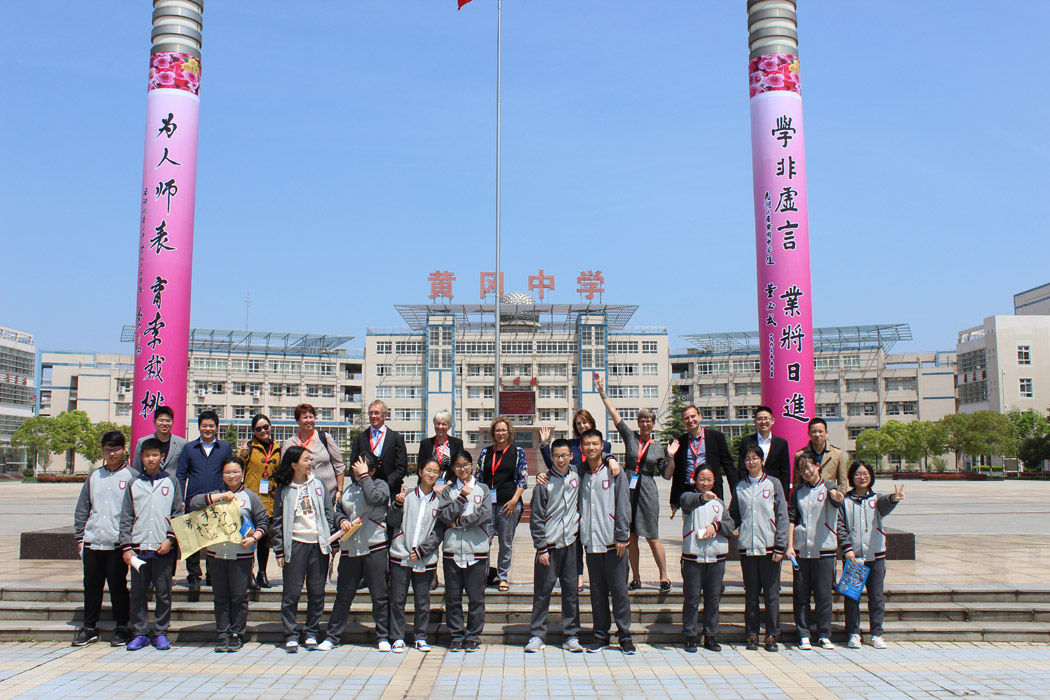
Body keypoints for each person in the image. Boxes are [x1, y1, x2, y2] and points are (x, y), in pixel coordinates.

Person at [594, 375, 670, 592]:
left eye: (649, 421)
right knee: (631, 537)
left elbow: (666, 474)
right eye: (642, 420)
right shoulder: (630, 437)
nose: (645, 424)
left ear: (653, 423)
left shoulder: (658, 447)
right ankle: (635, 578)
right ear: (638, 423)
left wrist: (672, 457)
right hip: (627, 486)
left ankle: (664, 576)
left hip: (647, 489)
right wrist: (601, 392)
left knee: (652, 535)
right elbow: (614, 414)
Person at [271, 446, 349, 653]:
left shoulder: (318, 484)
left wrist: (332, 541)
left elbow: (327, 512)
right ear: (294, 464)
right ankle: (290, 634)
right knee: (292, 592)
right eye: (306, 460)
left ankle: (311, 632)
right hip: (295, 544)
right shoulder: (284, 489)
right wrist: (279, 550)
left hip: (317, 545)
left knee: (316, 592)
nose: (310, 463)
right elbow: (277, 521)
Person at [188, 456, 269, 652]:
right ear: (222, 475)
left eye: (235, 472)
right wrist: (220, 497)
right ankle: (222, 633)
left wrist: (254, 538)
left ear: (242, 473)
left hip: (241, 556)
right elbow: (194, 503)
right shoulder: (216, 495)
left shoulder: (250, 496)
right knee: (220, 596)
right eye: (227, 472)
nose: (232, 476)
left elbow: (263, 522)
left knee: (239, 596)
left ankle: (236, 633)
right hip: (217, 555)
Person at [320, 454, 392, 652]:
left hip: (374, 546)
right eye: (355, 468)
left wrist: (365, 477)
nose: (356, 471)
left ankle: (383, 636)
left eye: (361, 468)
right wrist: (341, 519)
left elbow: (375, 499)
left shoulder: (380, 485)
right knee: (344, 594)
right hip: (351, 548)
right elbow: (338, 510)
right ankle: (333, 636)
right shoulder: (349, 490)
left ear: (372, 470)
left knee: (379, 595)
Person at [118, 438, 184, 651]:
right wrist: (126, 547)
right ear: (141, 458)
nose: (151, 459)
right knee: (138, 593)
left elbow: (177, 513)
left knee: (164, 592)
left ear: (161, 457)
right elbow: (126, 517)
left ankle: (161, 631)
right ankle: (140, 632)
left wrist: (170, 539)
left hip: (162, 547)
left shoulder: (171, 482)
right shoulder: (134, 483)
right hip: (138, 548)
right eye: (147, 455)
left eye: (155, 455)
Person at [72, 429, 135, 647]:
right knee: (92, 586)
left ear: (124, 450)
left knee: (118, 586)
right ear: (103, 451)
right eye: (108, 449)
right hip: (93, 542)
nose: (112, 453)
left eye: (116, 449)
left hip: (117, 544)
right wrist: (80, 538)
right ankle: (89, 627)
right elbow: (83, 509)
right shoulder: (94, 476)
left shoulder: (131, 477)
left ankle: (122, 627)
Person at [538, 409, 610, 592]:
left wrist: (613, 459)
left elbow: (606, 459)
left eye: (585, 422)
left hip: (596, 495)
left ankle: (600, 576)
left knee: (595, 534)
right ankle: (578, 574)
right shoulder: (571, 445)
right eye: (578, 424)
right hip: (574, 493)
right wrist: (545, 444)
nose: (582, 426)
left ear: (591, 423)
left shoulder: (605, 444)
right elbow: (555, 463)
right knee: (576, 539)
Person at [837, 461, 905, 650]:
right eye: (858, 474)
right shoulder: (845, 500)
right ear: (852, 477)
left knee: (876, 597)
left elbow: (886, 504)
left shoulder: (876, 499)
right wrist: (847, 548)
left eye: (865, 474)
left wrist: (894, 498)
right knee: (852, 597)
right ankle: (853, 633)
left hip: (875, 556)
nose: (862, 477)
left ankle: (876, 633)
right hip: (854, 557)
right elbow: (840, 526)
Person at [578, 429, 634, 654]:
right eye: (587, 444)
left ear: (603, 446)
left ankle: (625, 636)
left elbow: (623, 504)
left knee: (619, 591)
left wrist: (622, 535)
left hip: (614, 543)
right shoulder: (581, 472)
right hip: (591, 543)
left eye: (595, 444)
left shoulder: (615, 471)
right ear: (582, 448)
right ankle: (600, 635)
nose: (591, 447)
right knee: (597, 593)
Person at [525, 438, 584, 654]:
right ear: (552, 458)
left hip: (570, 543)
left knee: (571, 592)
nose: (561, 459)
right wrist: (540, 547)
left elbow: (600, 455)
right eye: (557, 456)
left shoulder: (577, 474)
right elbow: (536, 518)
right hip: (548, 547)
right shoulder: (544, 484)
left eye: (564, 455)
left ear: (571, 456)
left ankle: (571, 635)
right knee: (542, 592)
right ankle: (537, 634)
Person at [730, 443, 788, 652]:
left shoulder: (774, 484)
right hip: (747, 548)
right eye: (748, 459)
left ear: (761, 460)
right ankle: (752, 633)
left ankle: (772, 634)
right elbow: (734, 516)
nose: (751, 462)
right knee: (751, 594)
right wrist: (717, 526)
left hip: (770, 548)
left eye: (755, 458)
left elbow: (782, 515)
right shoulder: (740, 486)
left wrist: (781, 545)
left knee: (771, 594)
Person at [786, 453, 844, 651]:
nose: (806, 472)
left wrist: (836, 495)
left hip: (824, 549)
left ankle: (824, 634)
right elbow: (792, 518)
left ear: (818, 466)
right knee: (801, 595)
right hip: (802, 551)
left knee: (823, 595)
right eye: (802, 470)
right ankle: (803, 634)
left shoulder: (828, 488)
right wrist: (790, 545)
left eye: (809, 467)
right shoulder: (799, 492)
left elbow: (837, 499)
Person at [388, 458, 446, 653]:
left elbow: (438, 532)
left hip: (424, 559)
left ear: (439, 476)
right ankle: (397, 636)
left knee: (422, 601)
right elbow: (393, 521)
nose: (431, 474)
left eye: (435, 472)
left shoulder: (440, 502)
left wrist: (422, 551)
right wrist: (397, 504)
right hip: (401, 554)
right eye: (428, 470)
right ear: (420, 472)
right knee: (397, 598)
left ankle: (420, 636)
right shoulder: (407, 495)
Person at [438, 449, 492, 652]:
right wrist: (460, 498)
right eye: (458, 466)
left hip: (477, 550)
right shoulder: (448, 491)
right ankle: (456, 635)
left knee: (476, 597)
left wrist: (460, 522)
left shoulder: (483, 489)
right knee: (453, 598)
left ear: (472, 466)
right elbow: (444, 516)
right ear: (453, 469)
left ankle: (473, 635)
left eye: (466, 465)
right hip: (452, 551)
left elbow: (485, 514)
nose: (462, 469)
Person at [175, 410, 233, 591]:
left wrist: (228, 494)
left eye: (211, 426)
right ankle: (193, 576)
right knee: (192, 539)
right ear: (199, 427)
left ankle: (212, 574)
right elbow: (181, 474)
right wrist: (181, 499)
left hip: (217, 500)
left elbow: (229, 472)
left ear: (217, 428)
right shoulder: (189, 448)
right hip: (194, 500)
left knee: (213, 540)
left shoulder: (224, 448)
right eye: (204, 426)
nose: (208, 429)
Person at [679, 466, 735, 653]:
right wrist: (703, 498)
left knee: (712, 599)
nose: (705, 483)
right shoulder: (688, 497)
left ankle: (710, 635)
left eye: (709, 479)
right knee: (692, 598)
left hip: (715, 558)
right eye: (701, 479)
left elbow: (731, 524)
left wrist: (716, 526)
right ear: (695, 479)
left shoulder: (719, 503)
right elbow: (687, 502)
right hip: (693, 558)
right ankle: (690, 635)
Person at [476, 417, 528, 592]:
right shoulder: (485, 453)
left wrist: (514, 501)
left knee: (506, 543)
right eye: (497, 430)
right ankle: (482, 577)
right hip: (488, 504)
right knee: (484, 541)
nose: (500, 433)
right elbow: (478, 477)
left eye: (503, 430)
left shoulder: (517, 452)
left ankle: (503, 577)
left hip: (509, 504)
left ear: (509, 432)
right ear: (493, 433)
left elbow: (523, 480)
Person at [238, 413, 279, 589]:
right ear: (253, 431)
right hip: (251, 499)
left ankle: (262, 573)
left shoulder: (277, 448)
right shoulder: (249, 447)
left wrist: (275, 485)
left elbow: (280, 473)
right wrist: (243, 454)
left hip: (269, 500)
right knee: (249, 537)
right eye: (258, 429)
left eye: (266, 427)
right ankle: (248, 574)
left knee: (264, 540)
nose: (263, 431)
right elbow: (237, 470)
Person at [667, 405, 734, 512]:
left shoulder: (716, 437)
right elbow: (678, 472)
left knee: (712, 521)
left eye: (693, 416)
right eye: (686, 418)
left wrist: (735, 492)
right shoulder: (680, 442)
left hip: (711, 487)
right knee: (691, 523)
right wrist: (674, 499)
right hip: (689, 489)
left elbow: (728, 466)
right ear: (683, 421)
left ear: (700, 417)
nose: (690, 420)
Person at [282, 403, 345, 506]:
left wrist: (340, 491)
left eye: (311, 417)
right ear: (298, 421)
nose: (309, 420)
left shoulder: (325, 438)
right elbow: (284, 471)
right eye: (305, 417)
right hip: (302, 500)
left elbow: (339, 466)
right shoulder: (291, 443)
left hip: (329, 497)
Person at [350, 399, 408, 494]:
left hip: (390, 490)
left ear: (385, 415)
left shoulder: (396, 439)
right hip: (364, 491)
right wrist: (364, 482)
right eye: (370, 413)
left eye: (376, 413)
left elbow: (402, 468)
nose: (373, 416)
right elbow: (353, 467)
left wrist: (385, 484)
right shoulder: (360, 439)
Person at [735, 406, 791, 498]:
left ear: (772, 421)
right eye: (760, 419)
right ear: (755, 422)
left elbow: (785, 472)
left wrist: (784, 496)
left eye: (766, 418)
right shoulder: (746, 441)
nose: (763, 421)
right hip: (751, 489)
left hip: (773, 490)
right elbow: (741, 468)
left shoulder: (781, 443)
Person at [794, 417, 849, 493]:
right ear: (809, 433)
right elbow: (797, 482)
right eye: (814, 431)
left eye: (820, 431)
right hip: (807, 496)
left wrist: (840, 497)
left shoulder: (837, 454)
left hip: (829, 496)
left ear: (826, 433)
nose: (817, 434)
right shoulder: (800, 455)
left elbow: (842, 481)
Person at [131, 405, 186, 474]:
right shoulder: (142, 442)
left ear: (173, 422)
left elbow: (184, 469)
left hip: (172, 483)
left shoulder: (182, 443)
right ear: (154, 421)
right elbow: (137, 469)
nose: (164, 423)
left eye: (168, 421)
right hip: (149, 483)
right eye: (161, 420)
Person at [417, 410, 463, 485]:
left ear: (449, 426)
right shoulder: (425, 444)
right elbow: (420, 467)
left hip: (451, 485)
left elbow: (460, 466)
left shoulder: (457, 443)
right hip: (429, 486)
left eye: (443, 424)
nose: (440, 427)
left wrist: (448, 484)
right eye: (437, 424)